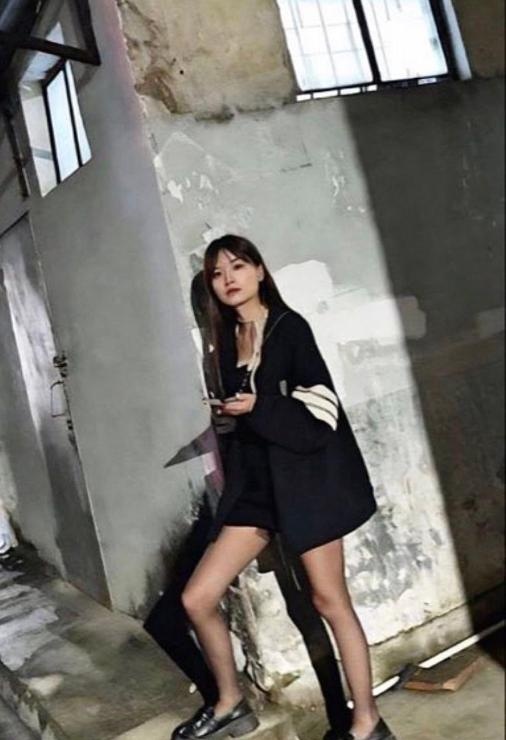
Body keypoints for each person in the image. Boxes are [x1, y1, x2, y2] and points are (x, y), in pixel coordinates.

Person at [172, 235, 397, 740]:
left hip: (306, 482)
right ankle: (230, 703)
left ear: (259, 271)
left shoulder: (289, 328)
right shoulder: (224, 343)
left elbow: (321, 410)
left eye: (237, 266)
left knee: (328, 600)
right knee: (196, 598)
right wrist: (228, 420)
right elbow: (246, 420)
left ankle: (367, 723)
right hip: (257, 489)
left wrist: (260, 407)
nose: (228, 279)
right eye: (216, 273)